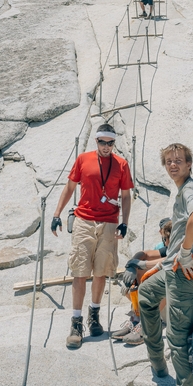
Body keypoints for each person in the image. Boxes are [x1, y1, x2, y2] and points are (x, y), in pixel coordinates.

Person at [139, 143, 193, 386]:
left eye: (179, 160)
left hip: (184, 272)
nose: (173, 165)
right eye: (168, 161)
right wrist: (161, 265)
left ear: (189, 164)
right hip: (172, 268)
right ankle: (158, 363)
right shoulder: (182, 189)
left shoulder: (190, 189)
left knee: (179, 340)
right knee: (145, 294)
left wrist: (187, 253)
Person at [51, 122, 134, 349]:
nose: (106, 147)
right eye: (102, 142)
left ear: (114, 143)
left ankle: (94, 315)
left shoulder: (121, 164)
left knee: (101, 272)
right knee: (79, 271)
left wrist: (124, 222)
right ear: (96, 141)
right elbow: (69, 187)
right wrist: (57, 214)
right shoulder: (83, 159)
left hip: (109, 222)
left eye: (110, 143)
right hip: (84, 221)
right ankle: (76, 322)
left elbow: (126, 195)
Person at [112, 220, 173, 345]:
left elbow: (169, 260)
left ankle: (147, 324)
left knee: (167, 279)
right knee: (140, 271)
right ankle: (137, 317)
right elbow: (145, 254)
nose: (165, 242)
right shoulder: (168, 248)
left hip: (184, 294)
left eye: (166, 239)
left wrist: (141, 264)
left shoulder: (183, 248)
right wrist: (132, 265)